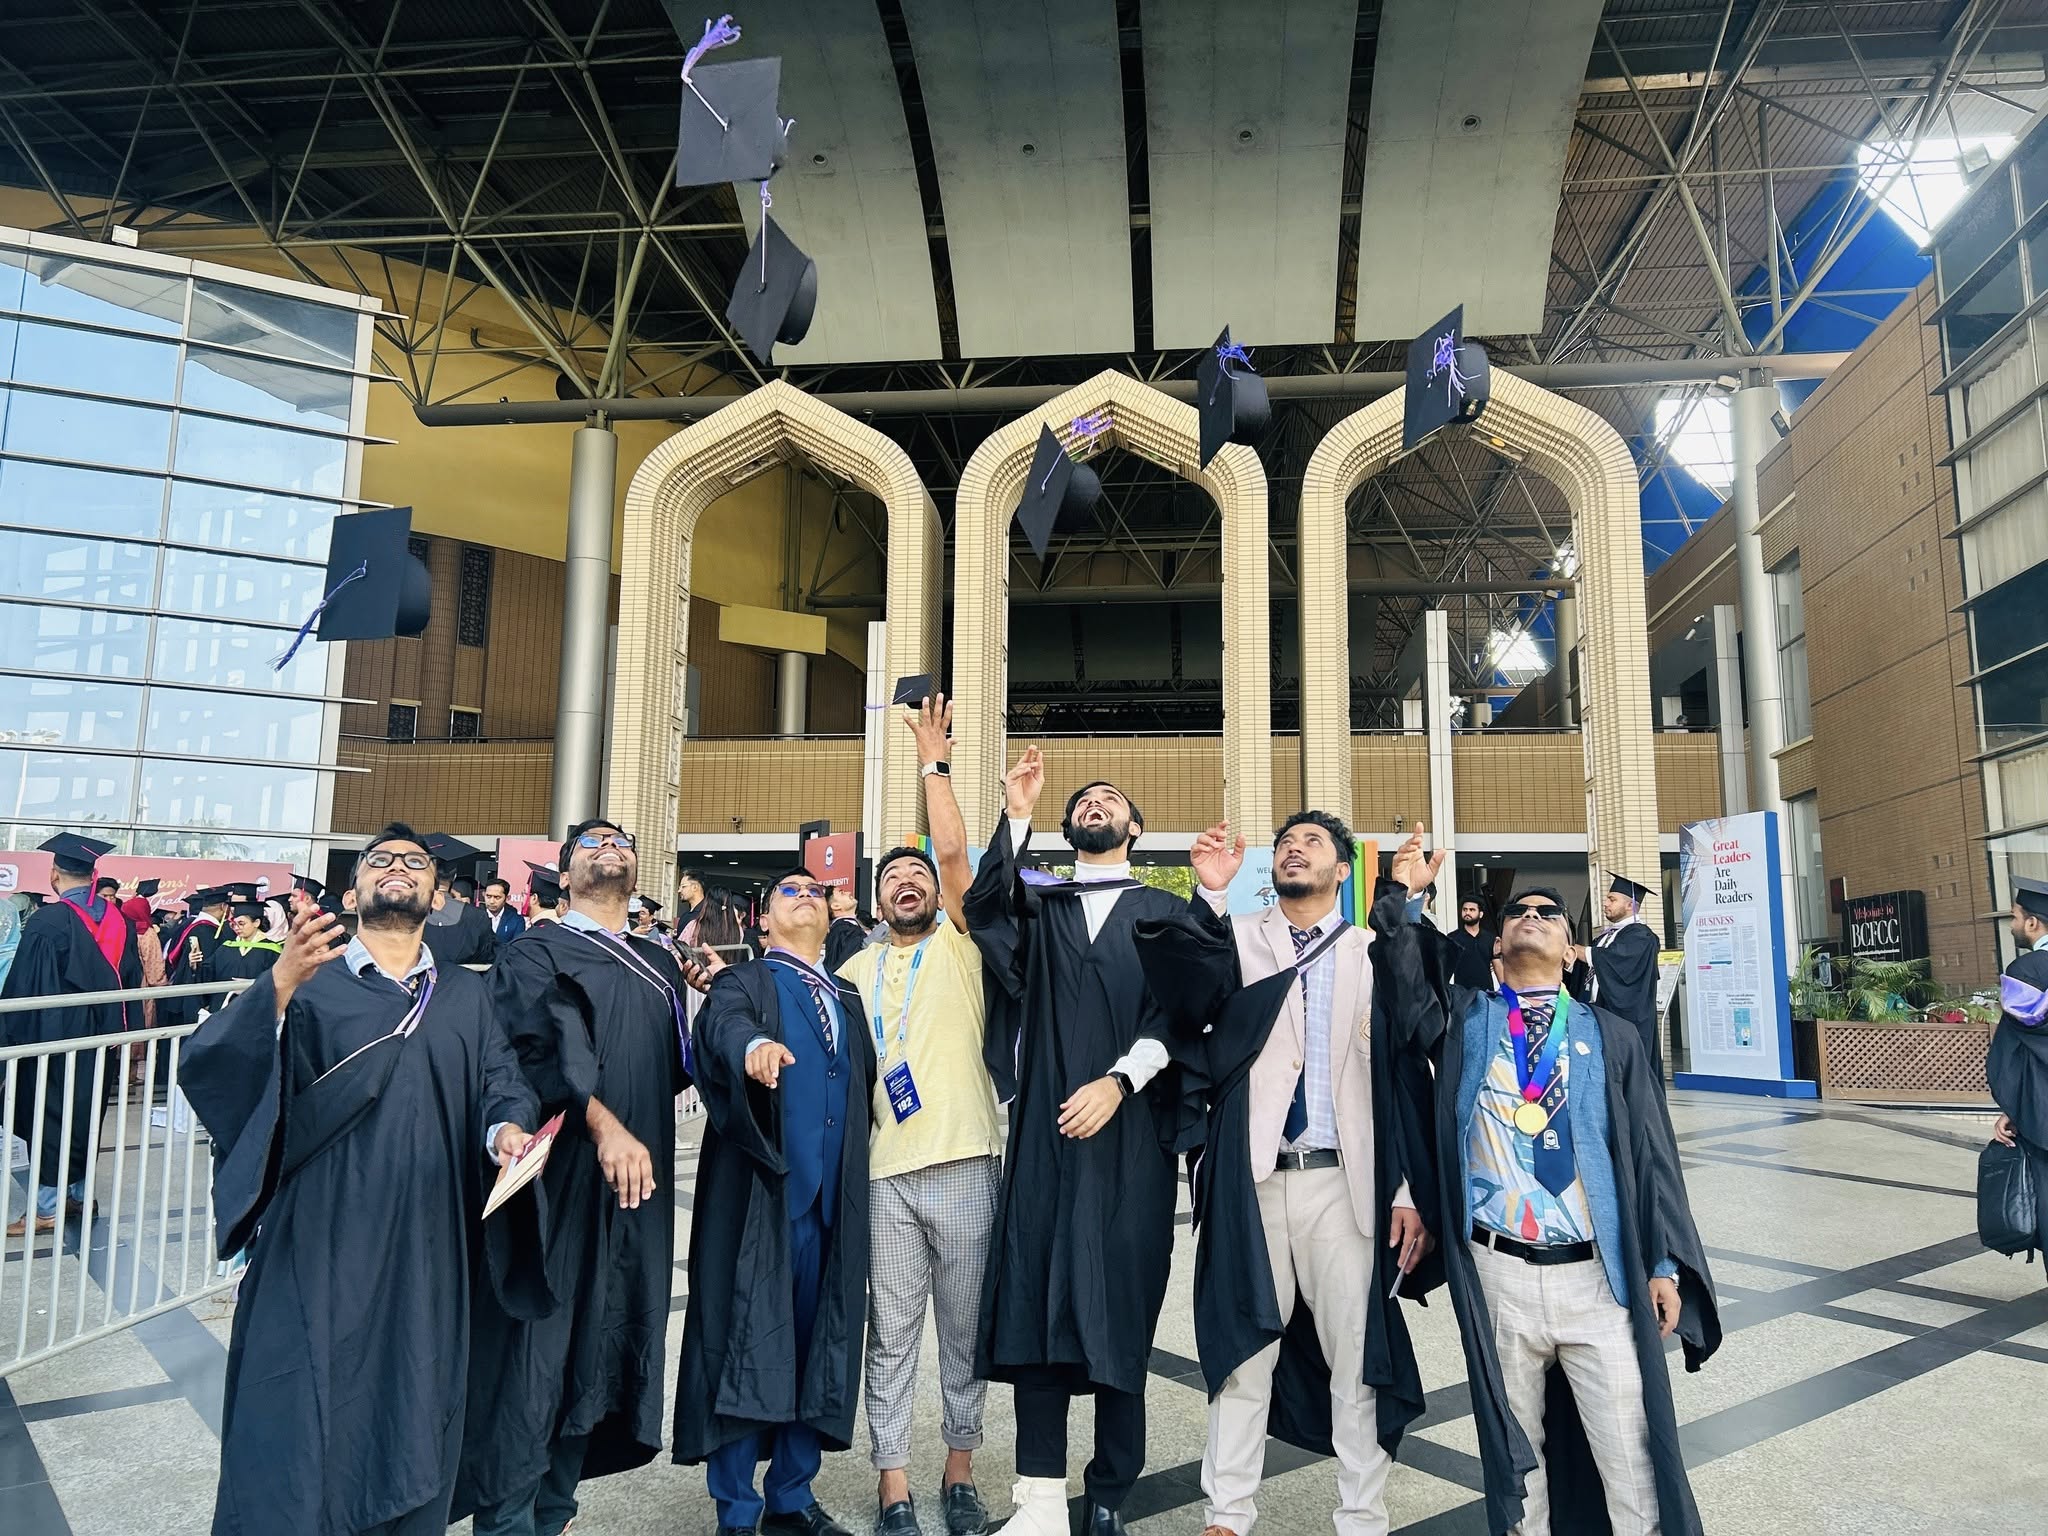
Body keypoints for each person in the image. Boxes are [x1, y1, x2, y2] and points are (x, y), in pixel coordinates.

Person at [179, 823, 544, 1536]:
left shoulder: (465, 996)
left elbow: (502, 1080)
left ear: (438, 895)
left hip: (429, 1238)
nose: (398, 867)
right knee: (305, 1404)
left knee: (416, 1393)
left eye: (416, 863)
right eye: (380, 860)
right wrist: (277, 986)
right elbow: (218, 1069)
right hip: (323, 1231)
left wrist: (505, 1128)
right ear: (353, 892)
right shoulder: (308, 984)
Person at [1372, 825, 1719, 1536]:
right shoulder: (1468, 1023)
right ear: (1497, 946)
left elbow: (1652, 1156)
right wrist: (1403, 897)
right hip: (1499, 1275)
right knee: (1515, 1460)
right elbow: (1405, 985)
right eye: (1517, 913)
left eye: (1548, 913)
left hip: (1598, 1278)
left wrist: (1660, 1265)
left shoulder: (1612, 1035)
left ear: (1569, 949)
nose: (1530, 916)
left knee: (1631, 1456)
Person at [1135, 810, 1437, 1536]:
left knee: (1357, 1359)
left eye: (1312, 843)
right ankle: (1227, 1513)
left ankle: (1361, 1516)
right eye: (1284, 844)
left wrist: (1404, 1190)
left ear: (1343, 869)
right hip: (1255, 1180)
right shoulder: (1236, 939)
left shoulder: (1370, 949)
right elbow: (1185, 999)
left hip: (1346, 1186)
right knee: (1244, 1353)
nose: (1293, 850)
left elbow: (1404, 1070)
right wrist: (1210, 893)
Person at [964, 753, 1216, 1536]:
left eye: (1111, 798)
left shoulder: (1164, 909)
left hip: (1129, 1140)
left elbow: (1191, 1005)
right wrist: (1017, 813)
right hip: (1046, 1137)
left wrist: (1119, 1081)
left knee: (1120, 1308)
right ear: (1070, 827)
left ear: (1135, 827)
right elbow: (983, 909)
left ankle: (1108, 1496)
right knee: (1035, 1303)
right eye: (1084, 800)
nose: (1095, 804)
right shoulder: (1043, 905)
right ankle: (1039, 1500)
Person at [457, 817, 700, 1536]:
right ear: (564, 876)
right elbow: (533, 1053)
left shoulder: (659, 964)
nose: (611, 848)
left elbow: (673, 1066)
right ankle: (506, 1521)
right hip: (558, 1183)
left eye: (622, 841)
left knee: (601, 1350)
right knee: (537, 1355)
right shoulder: (537, 951)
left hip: (637, 1186)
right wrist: (602, 1124)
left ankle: (556, 1513)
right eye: (592, 844)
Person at [835, 697, 1002, 1536]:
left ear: (938, 895)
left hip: (967, 1160)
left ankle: (959, 1473)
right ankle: (893, 1483)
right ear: (877, 901)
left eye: (920, 878)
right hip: (884, 1177)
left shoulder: (961, 946)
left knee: (966, 1334)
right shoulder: (852, 974)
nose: (908, 882)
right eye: (892, 879)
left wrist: (934, 764)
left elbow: (955, 851)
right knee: (891, 1336)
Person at [677, 869, 875, 1536]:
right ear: (763, 920)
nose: (807, 895)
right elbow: (725, 1027)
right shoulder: (745, 981)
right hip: (765, 1197)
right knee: (747, 1337)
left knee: (818, 1344)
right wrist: (755, 1046)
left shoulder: (847, 995)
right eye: (791, 891)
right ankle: (737, 1509)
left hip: (831, 1202)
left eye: (815, 890)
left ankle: (791, 1496)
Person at [1, 833, 140, 1237]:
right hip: (103, 1039)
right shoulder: (119, 921)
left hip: (56, 1039)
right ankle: (77, 1195)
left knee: (49, 1117)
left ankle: (47, 1208)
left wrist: (11, 1038)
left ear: (54, 874)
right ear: (94, 875)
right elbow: (132, 978)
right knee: (86, 1114)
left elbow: (27, 988)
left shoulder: (48, 921)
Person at [1988, 875, 2048, 1267]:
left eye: (2014, 916)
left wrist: (2013, 1107)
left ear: (2032, 922)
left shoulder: (2027, 971)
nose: (2012, 924)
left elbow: (2014, 1048)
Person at [1570, 875, 1664, 1083]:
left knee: (1625, 1076)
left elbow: (1613, 962)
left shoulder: (1641, 937)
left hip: (1624, 1020)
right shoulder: (1606, 936)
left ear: (1630, 905)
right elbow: (1588, 966)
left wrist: (1573, 949)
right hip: (1598, 1013)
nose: (1605, 903)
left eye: (1612, 899)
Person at [421, 834, 498, 967]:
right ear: (455, 876)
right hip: (462, 978)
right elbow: (487, 956)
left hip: (419, 979)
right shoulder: (476, 915)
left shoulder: (409, 912)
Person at [200, 894, 284, 986]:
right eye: (234, 924)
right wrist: (194, 964)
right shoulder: (226, 948)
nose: (236, 928)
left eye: (241, 923)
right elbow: (206, 973)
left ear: (256, 923)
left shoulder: (272, 951)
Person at [1448, 897, 1501, 992]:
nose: (1467, 913)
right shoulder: (1452, 938)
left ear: (1481, 914)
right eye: (1465, 909)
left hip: (1486, 993)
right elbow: (1444, 967)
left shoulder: (1490, 938)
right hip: (1462, 994)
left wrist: (1507, 993)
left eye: (1472, 910)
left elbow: (1497, 965)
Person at [824, 886, 869, 973]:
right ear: (836, 906)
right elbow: (860, 951)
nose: (849, 893)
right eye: (842, 893)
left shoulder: (843, 929)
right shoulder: (843, 930)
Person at [482, 877, 527, 945]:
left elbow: (517, 947)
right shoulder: (475, 917)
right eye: (488, 896)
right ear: (484, 894)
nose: (492, 901)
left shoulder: (517, 921)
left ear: (506, 898)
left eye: (497, 897)